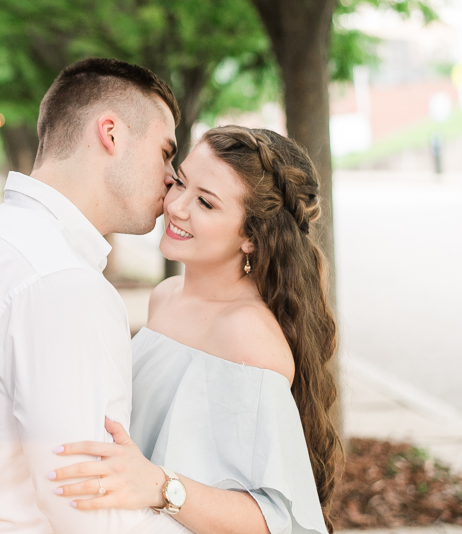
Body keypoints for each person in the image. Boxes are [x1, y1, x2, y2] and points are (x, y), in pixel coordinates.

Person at [0, 57, 191, 533]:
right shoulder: (61, 280)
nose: (172, 176)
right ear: (111, 134)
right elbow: (86, 505)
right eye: (164, 152)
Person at [48, 126, 343, 534]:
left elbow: (273, 519)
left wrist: (158, 485)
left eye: (205, 202)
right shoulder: (166, 296)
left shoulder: (247, 335)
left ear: (252, 238)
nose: (177, 206)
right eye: (181, 183)